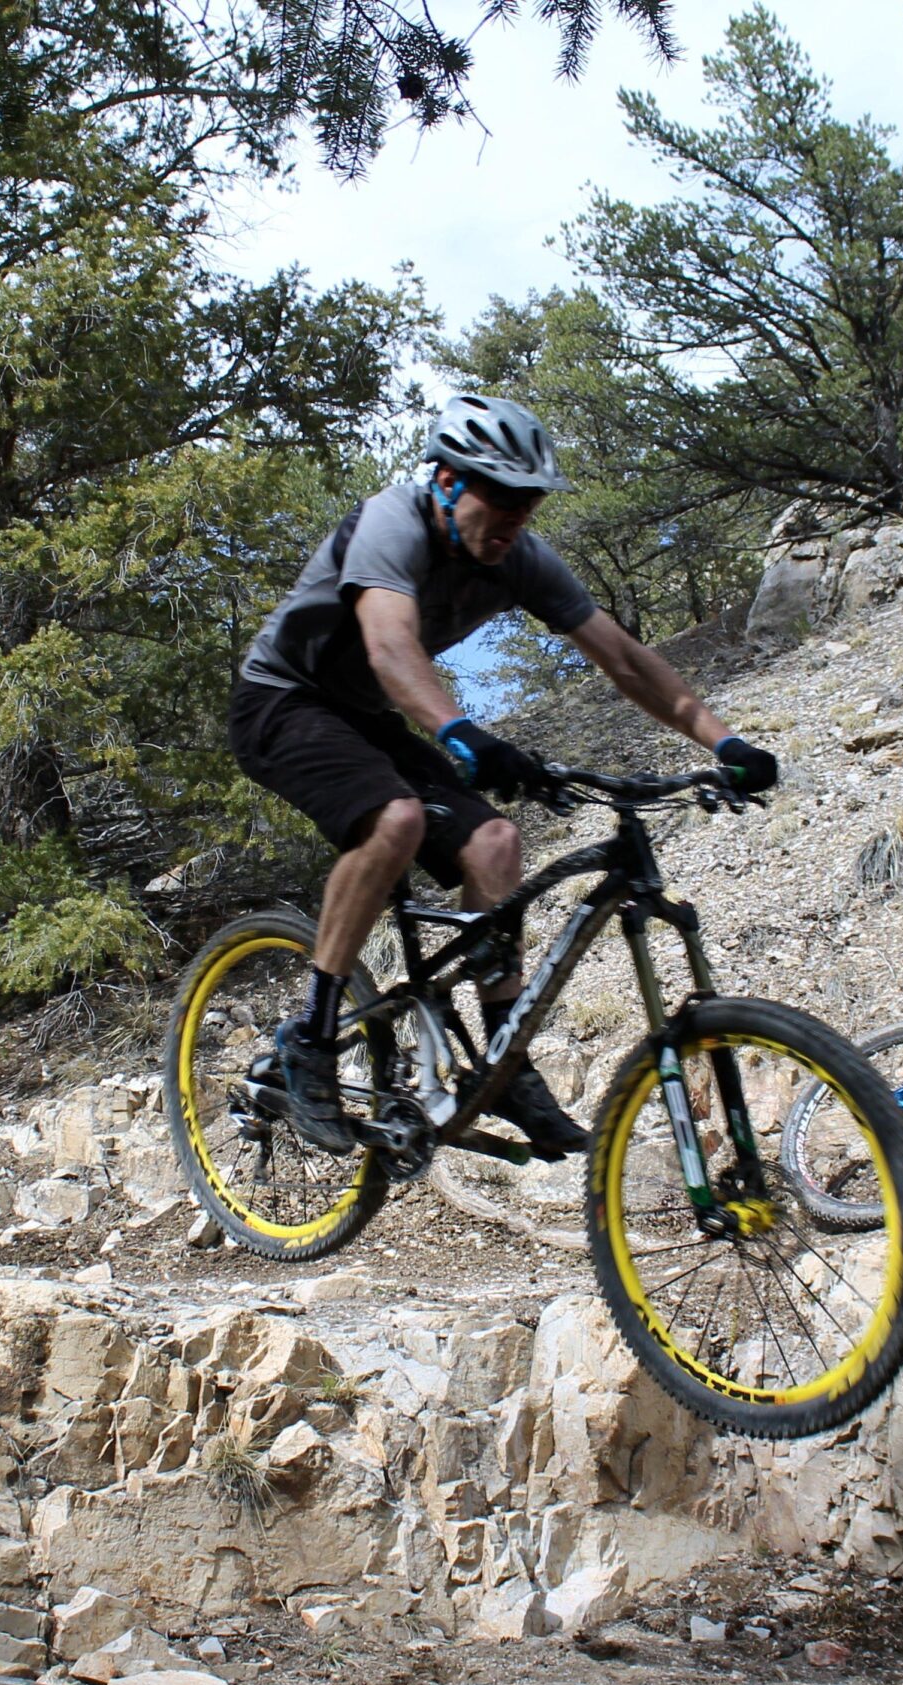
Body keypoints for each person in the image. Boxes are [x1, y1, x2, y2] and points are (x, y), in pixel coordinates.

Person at [228, 394, 779, 1158]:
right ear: (449, 483)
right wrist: (457, 730)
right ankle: (311, 1039)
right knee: (396, 818)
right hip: (284, 700)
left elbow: (622, 657)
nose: (519, 515)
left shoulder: (520, 558)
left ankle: (504, 1068)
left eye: (532, 500)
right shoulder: (394, 522)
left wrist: (726, 743)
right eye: (504, 496)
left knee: (495, 844)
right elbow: (390, 646)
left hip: (368, 716)